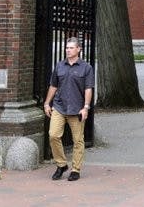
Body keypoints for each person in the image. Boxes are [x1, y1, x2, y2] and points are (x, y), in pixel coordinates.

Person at [43, 37, 94, 181]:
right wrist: (47, 103)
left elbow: (88, 89)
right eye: (67, 48)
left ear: (78, 49)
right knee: (53, 135)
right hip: (59, 106)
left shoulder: (86, 68)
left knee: (78, 140)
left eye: (71, 48)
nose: (68, 50)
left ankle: (75, 169)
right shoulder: (59, 66)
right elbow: (53, 86)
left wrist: (86, 107)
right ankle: (61, 164)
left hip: (77, 109)